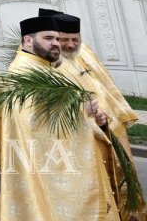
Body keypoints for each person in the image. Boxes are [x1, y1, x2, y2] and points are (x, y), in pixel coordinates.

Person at [0, 14, 119, 221]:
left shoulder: (42, 66)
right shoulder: (23, 72)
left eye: (56, 38)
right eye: (48, 38)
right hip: (50, 168)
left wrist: (92, 118)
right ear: (28, 40)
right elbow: (34, 126)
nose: (56, 44)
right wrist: (83, 112)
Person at [53, 13, 142, 221]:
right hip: (89, 131)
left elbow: (105, 80)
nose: (70, 44)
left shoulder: (84, 51)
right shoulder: (51, 64)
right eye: (64, 39)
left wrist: (119, 112)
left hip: (112, 125)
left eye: (74, 39)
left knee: (125, 173)